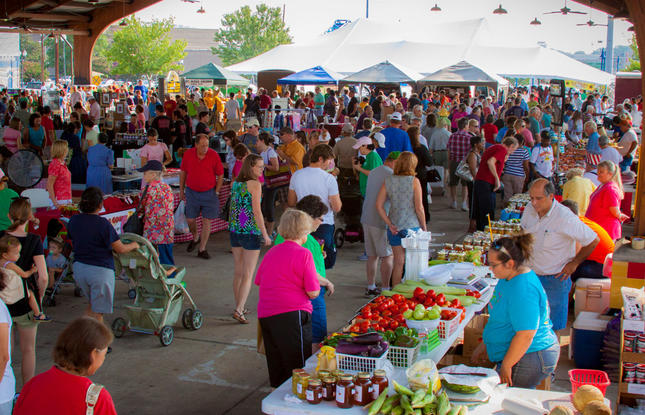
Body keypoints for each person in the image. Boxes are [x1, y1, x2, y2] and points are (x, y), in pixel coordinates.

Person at [471, 234, 559, 389]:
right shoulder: (508, 278)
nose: (490, 269)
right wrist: (486, 343)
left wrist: (507, 365)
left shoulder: (523, 289)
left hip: (531, 355)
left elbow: (526, 334)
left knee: (508, 402)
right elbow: (501, 317)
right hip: (522, 354)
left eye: (493, 265)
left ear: (510, 263)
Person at [520, 179, 599, 332]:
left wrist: (575, 263)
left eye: (539, 198)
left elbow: (593, 240)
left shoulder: (565, 217)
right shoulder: (529, 209)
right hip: (530, 275)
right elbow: (523, 231)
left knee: (551, 327)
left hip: (554, 279)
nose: (534, 203)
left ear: (551, 197)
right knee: (527, 324)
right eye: (531, 198)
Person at [255, 209, 320, 388]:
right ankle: (296, 403)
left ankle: (278, 402)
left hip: (266, 315)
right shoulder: (304, 254)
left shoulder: (271, 252)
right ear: (304, 232)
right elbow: (313, 292)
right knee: (297, 365)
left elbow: (258, 280)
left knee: (277, 365)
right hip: (293, 315)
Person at [13, 317, 116, 415]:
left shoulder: (32, 385)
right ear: (93, 354)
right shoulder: (98, 399)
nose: (103, 359)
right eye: (104, 355)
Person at [68, 187, 139, 323]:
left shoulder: (74, 220)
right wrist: (135, 245)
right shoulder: (103, 224)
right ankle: (98, 343)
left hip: (79, 268)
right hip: (99, 271)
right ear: (100, 205)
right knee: (98, 312)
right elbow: (121, 249)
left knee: (92, 305)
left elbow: (73, 241)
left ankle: (86, 336)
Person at [275, 196, 335, 345]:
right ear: (309, 217)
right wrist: (326, 282)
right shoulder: (301, 238)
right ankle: (310, 367)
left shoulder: (290, 237)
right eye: (320, 219)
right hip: (309, 292)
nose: (322, 222)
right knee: (317, 336)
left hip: (291, 295)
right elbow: (303, 269)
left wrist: (318, 255)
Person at [0, 198, 47, 384]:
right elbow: (43, 277)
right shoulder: (34, 240)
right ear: (30, 217)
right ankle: (26, 393)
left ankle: (5, 388)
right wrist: (39, 296)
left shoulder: (0, 237)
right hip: (26, 302)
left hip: (3, 301)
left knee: (5, 349)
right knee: (28, 349)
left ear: (8, 216)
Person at [229, 155, 271, 324]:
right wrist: (265, 234)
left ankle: (239, 305)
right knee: (248, 274)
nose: (262, 170)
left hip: (235, 230)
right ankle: (239, 310)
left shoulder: (236, 184)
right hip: (250, 231)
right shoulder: (255, 185)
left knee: (239, 271)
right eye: (259, 167)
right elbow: (257, 211)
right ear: (251, 167)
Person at [375, 152, 426, 287]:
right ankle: (411, 291)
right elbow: (419, 208)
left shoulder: (389, 180)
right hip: (412, 226)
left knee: (399, 262)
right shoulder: (414, 181)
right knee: (414, 263)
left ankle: (395, 292)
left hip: (395, 226)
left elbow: (379, 205)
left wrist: (389, 223)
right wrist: (424, 227)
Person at [288, 144, 341, 270]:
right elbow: (337, 207)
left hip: (302, 223)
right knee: (323, 262)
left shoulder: (296, 175)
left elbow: (291, 202)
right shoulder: (329, 179)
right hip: (324, 224)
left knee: (302, 261)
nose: (330, 164)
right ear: (321, 159)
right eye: (329, 160)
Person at [179, 134, 224, 259]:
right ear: (196, 145)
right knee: (190, 219)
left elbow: (220, 174)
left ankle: (202, 248)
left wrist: (217, 191)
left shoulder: (213, 155)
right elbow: (183, 172)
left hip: (209, 192)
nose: (205, 148)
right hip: (192, 192)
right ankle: (195, 236)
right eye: (203, 145)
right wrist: (181, 190)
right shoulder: (188, 154)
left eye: (207, 145)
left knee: (207, 221)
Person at [361, 152, 397, 296]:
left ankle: (371, 286)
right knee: (387, 255)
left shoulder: (374, 172)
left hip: (366, 217)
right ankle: (386, 288)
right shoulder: (391, 175)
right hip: (381, 219)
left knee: (372, 255)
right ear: (393, 162)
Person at [561, 200, 614, 282]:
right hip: (607, 263)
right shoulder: (582, 220)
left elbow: (574, 253)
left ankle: (568, 293)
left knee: (564, 270)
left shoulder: (575, 224)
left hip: (603, 267)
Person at [472, 137, 518, 231]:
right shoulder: (501, 149)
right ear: (511, 146)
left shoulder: (496, 148)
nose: (513, 152)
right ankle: (485, 233)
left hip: (482, 182)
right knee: (487, 211)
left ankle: (481, 231)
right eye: (514, 149)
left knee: (483, 211)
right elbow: (491, 162)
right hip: (486, 182)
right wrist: (497, 179)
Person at [0, 236, 49, 321]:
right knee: (30, 293)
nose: (19, 255)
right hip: (11, 293)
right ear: (5, 255)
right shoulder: (10, 265)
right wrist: (32, 270)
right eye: (16, 253)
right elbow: (25, 275)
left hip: (3, 292)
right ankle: (38, 314)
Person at [139, 161, 175, 266]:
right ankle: (170, 279)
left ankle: (156, 280)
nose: (144, 176)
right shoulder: (167, 188)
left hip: (152, 230)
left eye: (145, 173)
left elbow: (141, 208)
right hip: (167, 229)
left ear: (153, 174)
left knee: (152, 260)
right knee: (167, 260)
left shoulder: (147, 189)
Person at [585, 160, 628, 241]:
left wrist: (620, 215)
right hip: (599, 229)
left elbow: (614, 210)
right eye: (598, 171)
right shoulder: (603, 185)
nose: (598, 173)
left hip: (605, 229)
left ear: (610, 174)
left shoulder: (610, 189)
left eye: (601, 172)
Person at [409, 126, 433, 223]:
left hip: (408, 176)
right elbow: (429, 162)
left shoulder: (406, 148)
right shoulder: (421, 148)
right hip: (421, 176)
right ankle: (425, 217)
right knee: (422, 197)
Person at [447, 117, 471, 210]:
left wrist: (449, 162)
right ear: (465, 126)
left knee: (453, 183)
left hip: (454, 161)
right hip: (465, 163)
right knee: (465, 184)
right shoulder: (469, 137)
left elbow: (448, 150)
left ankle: (454, 201)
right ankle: (464, 203)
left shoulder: (452, 136)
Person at [501, 134, 530, 204]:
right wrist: (527, 176)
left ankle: (506, 211)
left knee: (507, 195)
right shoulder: (524, 151)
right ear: (522, 142)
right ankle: (515, 211)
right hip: (518, 175)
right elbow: (526, 166)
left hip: (507, 174)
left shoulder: (508, 150)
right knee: (518, 196)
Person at [46, 140, 72, 209]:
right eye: (66, 149)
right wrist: (55, 203)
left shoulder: (62, 163)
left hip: (65, 198)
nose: (67, 151)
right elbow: (49, 184)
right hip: (59, 199)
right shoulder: (55, 164)